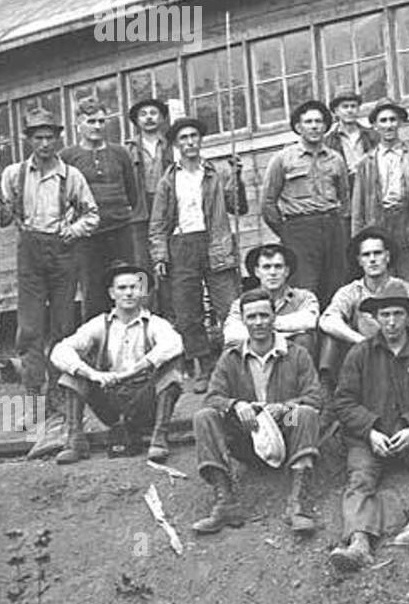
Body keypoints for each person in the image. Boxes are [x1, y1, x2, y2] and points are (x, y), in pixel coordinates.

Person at [329, 283, 409, 571]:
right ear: (376, 318)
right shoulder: (360, 354)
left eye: (398, 314)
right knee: (360, 476)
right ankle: (359, 543)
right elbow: (343, 401)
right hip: (369, 440)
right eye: (385, 314)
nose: (392, 321)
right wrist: (370, 431)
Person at [0, 108, 99, 410]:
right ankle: (35, 396)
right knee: (30, 330)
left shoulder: (70, 176)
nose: (45, 143)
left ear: (58, 138)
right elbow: (2, 219)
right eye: (39, 137)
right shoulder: (14, 174)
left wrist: (72, 231)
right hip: (30, 254)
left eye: (50, 137)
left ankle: (59, 394)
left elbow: (92, 215)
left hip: (63, 255)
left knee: (63, 328)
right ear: (29, 140)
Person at [191, 288, 325, 536]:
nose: (258, 322)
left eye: (264, 315)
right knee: (205, 416)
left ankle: (297, 503)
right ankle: (225, 502)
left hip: (286, 428)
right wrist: (235, 405)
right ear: (243, 320)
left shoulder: (296, 354)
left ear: (274, 317)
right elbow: (213, 397)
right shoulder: (231, 358)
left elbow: (316, 397)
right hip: (245, 434)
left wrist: (286, 407)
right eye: (251, 317)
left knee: (304, 413)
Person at [49, 261, 184, 464]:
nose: (128, 293)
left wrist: (136, 369)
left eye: (134, 287)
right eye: (122, 288)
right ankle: (75, 440)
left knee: (171, 373)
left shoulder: (155, 324)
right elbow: (60, 350)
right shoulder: (100, 324)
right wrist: (93, 374)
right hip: (109, 400)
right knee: (71, 376)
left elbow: (174, 344)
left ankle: (159, 438)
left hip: (145, 401)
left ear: (142, 292)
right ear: (112, 293)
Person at [148, 117, 246, 389]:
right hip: (181, 246)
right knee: (187, 311)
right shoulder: (169, 179)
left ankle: (234, 365)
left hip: (216, 241)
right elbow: (158, 223)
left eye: (194, 136)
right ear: (176, 144)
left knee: (228, 306)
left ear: (200, 140)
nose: (190, 142)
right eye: (183, 138)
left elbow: (239, 207)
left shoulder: (217, 173)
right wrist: (159, 256)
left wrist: (236, 177)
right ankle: (203, 367)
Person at [318, 226, 409, 380]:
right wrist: (360, 341)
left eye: (377, 253)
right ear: (359, 261)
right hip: (365, 358)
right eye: (366, 255)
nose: (372, 259)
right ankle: (327, 391)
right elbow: (327, 320)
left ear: (387, 256)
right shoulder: (351, 291)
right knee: (330, 336)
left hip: (402, 356)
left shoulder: (405, 288)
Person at [261, 99, 350, 311]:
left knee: (335, 288)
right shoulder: (283, 159)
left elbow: (345, 199)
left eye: (319, 121)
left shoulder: (336, 159)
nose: (314, 126)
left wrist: (340, 228)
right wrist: (286, 231)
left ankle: (335, 341)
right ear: (299, 127)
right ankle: (307, 340)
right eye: (308, 122)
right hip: (299, 231)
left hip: (332, 228)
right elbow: (268, 203)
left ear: (326, 126)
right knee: (305, 289)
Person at [61, 96, 142, 319]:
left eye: (101, 121)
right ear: (78, 123)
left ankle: (134, 336)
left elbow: (132, 193)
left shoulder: (120, 153)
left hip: (120, 230)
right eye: (91, 121)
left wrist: (121, 215)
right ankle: (97, 347)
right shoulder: (67, 157)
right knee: (93, 290)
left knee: (129, 283)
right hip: (87, 237)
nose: (97, 126)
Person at [350, 97, 409, 284]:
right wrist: (357, 241)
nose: (389, 125)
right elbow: (357, 206)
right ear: (375, 125)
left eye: (393, 120)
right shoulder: (366, 162)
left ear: (400, 123)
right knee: (382, 282)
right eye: (383, 120)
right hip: (378, 223)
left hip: (407, 224)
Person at [224, 243, 320, 360]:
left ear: (287, 271)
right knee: (233, 349)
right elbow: (231, 334)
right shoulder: (242, 303)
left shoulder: (303, 297)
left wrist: (263, 327)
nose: (273, 272)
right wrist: (282, 332)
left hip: (291, 360)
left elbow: (310, 320)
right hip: (255, 358)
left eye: (278, 267)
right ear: (257, 272)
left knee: (304, 338)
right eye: (266, 267)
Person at [124, 96, 173, 312]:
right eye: (143, 114)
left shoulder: (172, 146)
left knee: (168, 262)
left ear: (162, 118)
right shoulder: (128, 150)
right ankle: (146, 312)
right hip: (140, 212)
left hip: (168, 210)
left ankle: (171, 314)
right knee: (142, 266)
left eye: (154, 113)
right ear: (136, 121)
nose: (149, 118)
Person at [324, 91, 378, 188]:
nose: (350, 110)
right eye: (345, 107)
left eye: (353, 106)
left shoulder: (372, 136)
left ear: (358, 109)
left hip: (370, 187)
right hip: (344, 190)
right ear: (336, 111)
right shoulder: (328, 141)